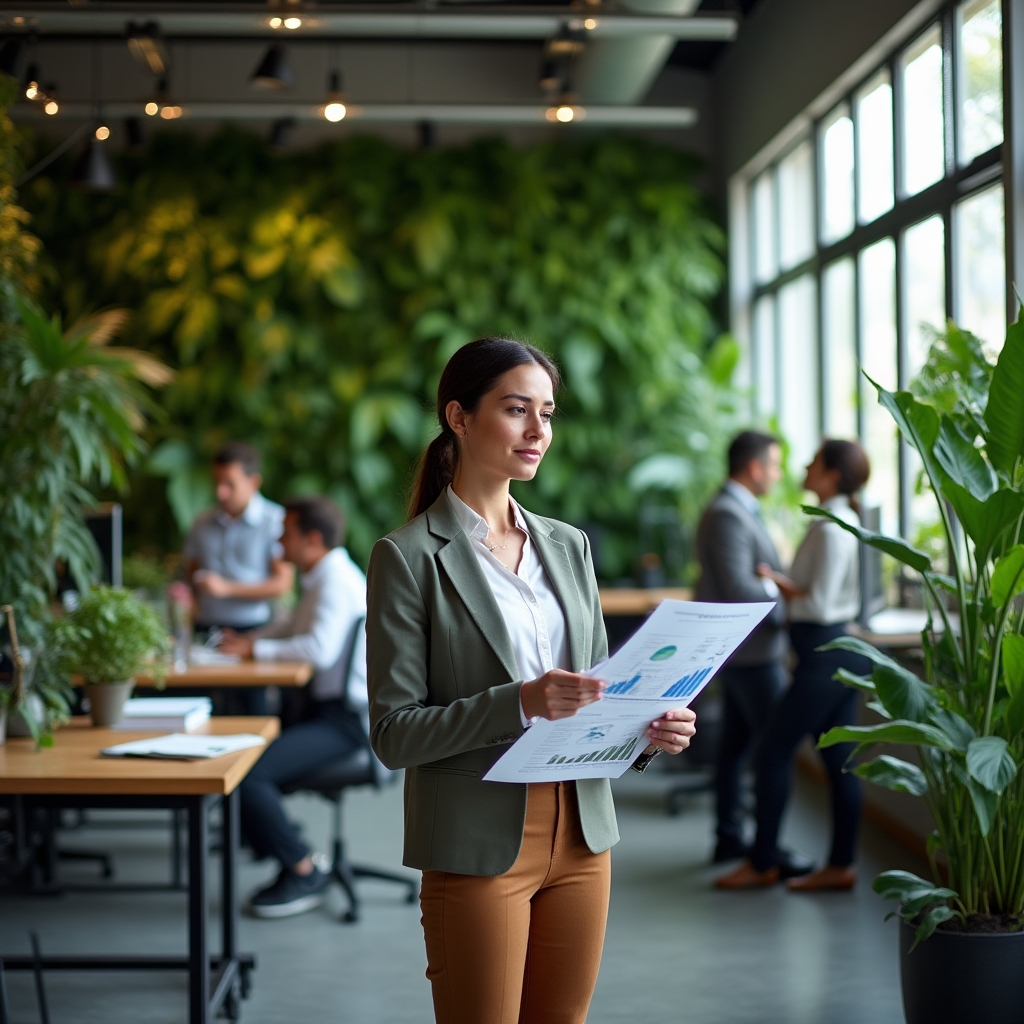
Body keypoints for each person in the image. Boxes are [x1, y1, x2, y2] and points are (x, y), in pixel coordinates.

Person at [365, 337, 697, 1024]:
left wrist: (648, 730)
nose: (538, 431)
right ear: (459, 417)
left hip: (582, 832)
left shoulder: (568, 545)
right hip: (476, 839)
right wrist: (521, 702)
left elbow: (600, 691)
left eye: (546, 413)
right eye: (517, 410)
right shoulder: (407, 557)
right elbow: (395, 735)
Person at [715, 440, 872, 891]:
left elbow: (818, 602)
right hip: (828, 652)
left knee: (772, 751)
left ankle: (763, 861)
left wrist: (775, 582)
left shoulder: (831, 528)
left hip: (826, 654)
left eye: (814, 461)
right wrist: (783, 583)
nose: (804, 466)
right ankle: (840, 865)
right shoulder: (831, 521)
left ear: (832, 475)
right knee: (838, 760)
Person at [220, 495, 368, 917]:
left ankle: (302, 868)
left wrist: (255, 652)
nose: (278, 542)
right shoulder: (323, 576)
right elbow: (292, 624)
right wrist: (249, 641)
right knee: (238, 755)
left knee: (247, 772)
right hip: (324, 711)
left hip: (347, 722)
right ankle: (279, 840)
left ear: (312, 539)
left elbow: (318, 650)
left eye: (286, 533)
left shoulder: (336, 581)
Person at [695, 430, 800, 867]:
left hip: (742, 652)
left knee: (734, 750)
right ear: (755, 468)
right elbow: (741, 589)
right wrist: (782, 591)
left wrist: (770, 578)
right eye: (774, 466)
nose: (778, 474)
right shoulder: (729, 514)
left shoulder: (737, 510)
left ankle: (730, 838)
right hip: (752, 654)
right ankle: (767, 852)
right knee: (776, 751)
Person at [183, 442, 294, 715]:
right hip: (206, 631)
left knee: (252, 713)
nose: (220, 492)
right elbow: (189, 573)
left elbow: (282, 583)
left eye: (229, 484)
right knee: (206, 713)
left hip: (252, 630)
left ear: (253, 482)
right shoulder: (202, 521)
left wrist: (226, 588)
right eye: (216, 483)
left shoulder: (274, 521)